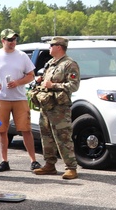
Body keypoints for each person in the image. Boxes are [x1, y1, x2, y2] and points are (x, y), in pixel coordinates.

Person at [0, 29, 40, 172]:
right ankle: (4, 161)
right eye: (9, 40)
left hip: (19, 98)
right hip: (1, 98)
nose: (12, 42)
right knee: (2, 131)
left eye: (14, 39)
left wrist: (18, 82)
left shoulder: (22, 56)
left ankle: (34, 161)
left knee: (26, 129)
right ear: (2, 41)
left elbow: (31, 75)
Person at [31, 37, 80, 180]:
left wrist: (53, 86)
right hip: (46, 105)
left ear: (59, 47)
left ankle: (71, 167)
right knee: (46, 136)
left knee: (63, 136)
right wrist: (40, 81)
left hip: (60, 107)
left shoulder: (69, 64)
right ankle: (49, 165)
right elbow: (46, 82)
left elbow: (73, 85)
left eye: (52, 45)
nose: (50, 48)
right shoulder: (50, 63)